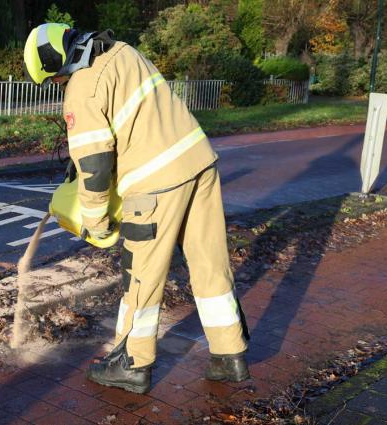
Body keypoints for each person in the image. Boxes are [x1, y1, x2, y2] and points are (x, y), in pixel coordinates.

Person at [22, 23, 250, 394]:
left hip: (155, 184)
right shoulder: (122, 51)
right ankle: (230, 355)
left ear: (56, 67)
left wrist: (95, 223)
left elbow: (94, 167)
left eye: (53, 81)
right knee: (210, 262)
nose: (58, 86)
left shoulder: (81, 88)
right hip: (199, 162)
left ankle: (131, 363)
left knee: (141, 278)